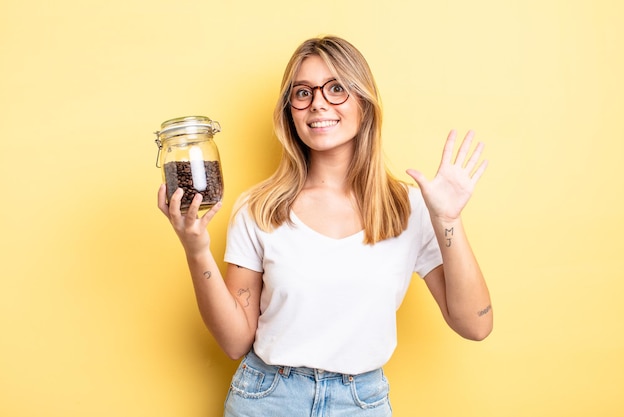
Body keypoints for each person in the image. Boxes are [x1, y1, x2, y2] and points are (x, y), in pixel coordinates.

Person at [158, 35, 492, 417]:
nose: (318, 103)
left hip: (361, 403)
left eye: (336, 88)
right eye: (303, 93)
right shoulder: (259, 207)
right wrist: (196, 250)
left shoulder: (409, 208)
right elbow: (235, 343)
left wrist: (448, 221)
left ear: (364, 103)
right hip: (268, 399)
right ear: (291, 113)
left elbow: (475, 325)